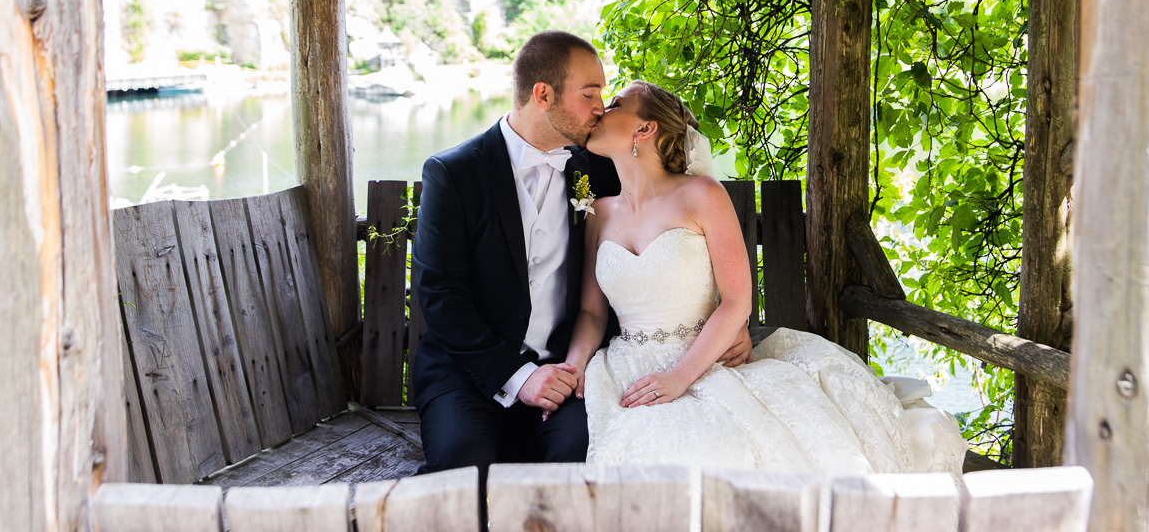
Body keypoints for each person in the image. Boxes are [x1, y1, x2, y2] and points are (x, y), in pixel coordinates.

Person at [565, 80, 967, 477]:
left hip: (704, 361)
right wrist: (574, 366)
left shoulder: (702, 195)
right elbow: (591, 311)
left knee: (710, 448)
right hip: (624, 368)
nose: (602, 109)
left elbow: (738, 301)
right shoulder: (599, 213)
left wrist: (679, 378)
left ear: (645, 128)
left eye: (615, 103)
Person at [410, 32, 757, 480]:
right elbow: (440, 295)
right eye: (591, 93)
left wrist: (733, 325)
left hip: (569, 367)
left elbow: (672, 239)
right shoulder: (454, 173)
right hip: (470, 372)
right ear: (543, 95)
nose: (600, 107)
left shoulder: (596, 167)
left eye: (607, 97)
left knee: (583, 457)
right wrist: (518, 378)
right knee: (462, 465)